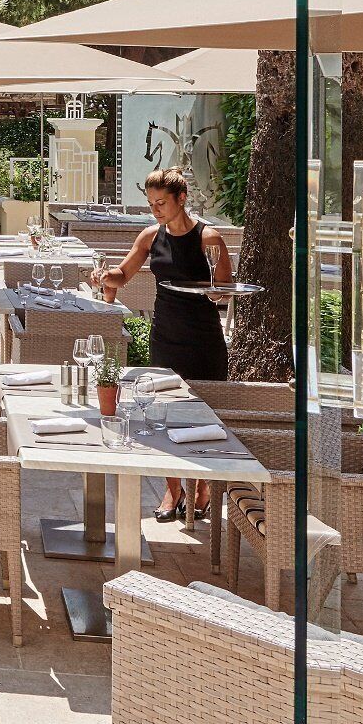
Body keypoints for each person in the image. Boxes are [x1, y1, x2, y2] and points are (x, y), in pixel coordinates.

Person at [96, 166, 233, 523]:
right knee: (161, 415)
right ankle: (174, 491)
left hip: (203, 337)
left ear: (181, 199)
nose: (155, 210)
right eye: (151, 203)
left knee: (203, 415)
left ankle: (202, 489)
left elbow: (224, 289)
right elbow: (122, 276)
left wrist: (215, 290)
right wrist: (103, 275)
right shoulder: (149, 236)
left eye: (161, 203)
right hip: (165, 334)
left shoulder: (210, 239)